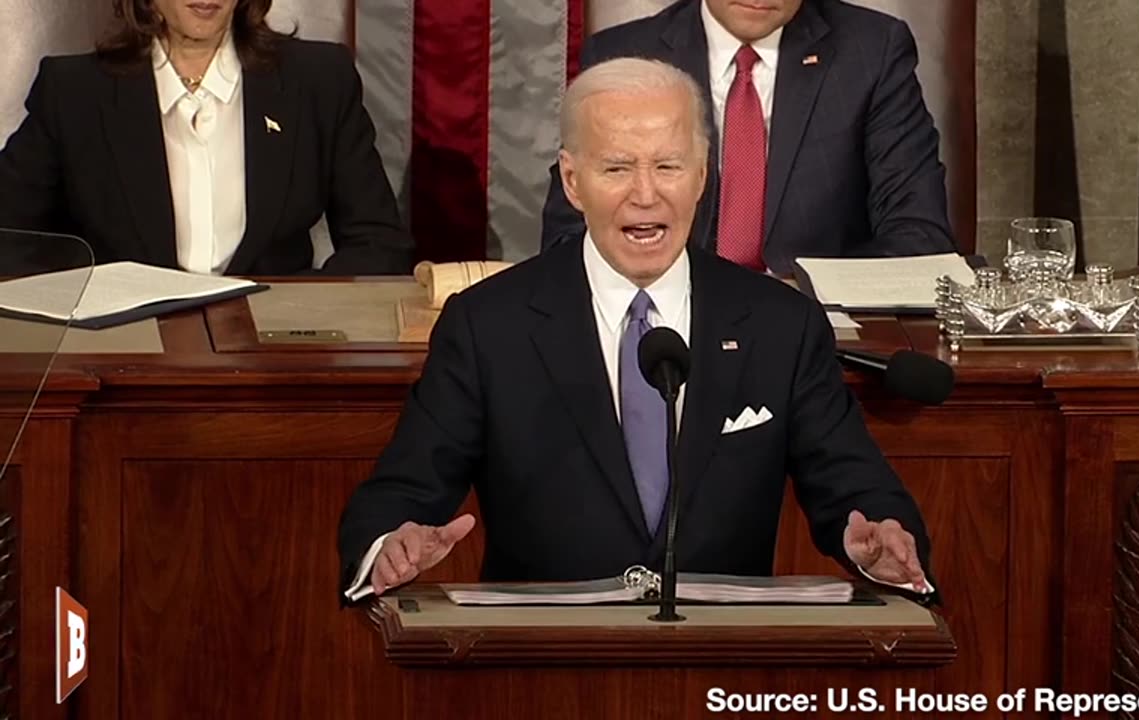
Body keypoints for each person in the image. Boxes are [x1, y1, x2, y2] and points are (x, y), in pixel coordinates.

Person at [337, 57, 935, 605]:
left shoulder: (780, 322)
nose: (645, 195)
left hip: (725, 661)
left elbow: (856, 486)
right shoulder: (489, 323)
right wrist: (390, 544)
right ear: (573, 182)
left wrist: (878, 544)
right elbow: (401, 493)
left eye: (668, 167)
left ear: (702, 175)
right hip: (539, 665)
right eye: (617, 168)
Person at [539, 0, 954, 277]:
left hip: (816, 333)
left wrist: (794, 298)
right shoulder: (625, 52)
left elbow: (919, 238)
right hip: (665, 329)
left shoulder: (872, 51)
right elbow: (567, 239)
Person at [0, 0, 413, 276]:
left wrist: (304, 319)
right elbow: (9, 239)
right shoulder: (74, 92)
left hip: (276, 363)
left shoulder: (319, 80)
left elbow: (377, 243)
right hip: (122, 363)